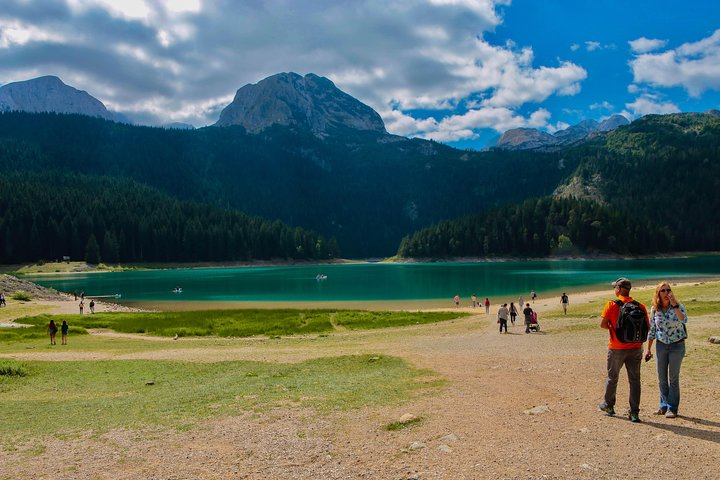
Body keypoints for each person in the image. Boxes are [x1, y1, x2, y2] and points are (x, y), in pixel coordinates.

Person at [599, 277, 649, 423]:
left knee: (612, 378)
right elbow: (647, 327)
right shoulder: (640, 306)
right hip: (636, 348)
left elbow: (602, 324)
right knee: (634, 380)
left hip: (616, 348)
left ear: (619, 289)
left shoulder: (611, 304)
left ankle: (609, 406)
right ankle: (634, 413)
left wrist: (613, 328)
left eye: (615, 287)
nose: (614, 289)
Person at [645, 282, 687, 418]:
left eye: (668, 290)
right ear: (658, 293)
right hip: (661, 345)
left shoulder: (678, 306)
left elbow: (683, 319)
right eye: (663, 290)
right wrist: (648, 349)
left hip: (677, 345)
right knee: (661, 377)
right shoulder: (654, 309)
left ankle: (672, 408)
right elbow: (652, 330)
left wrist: (674, 304)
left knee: (673, 378)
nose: (666, 292)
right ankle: (663, 406)